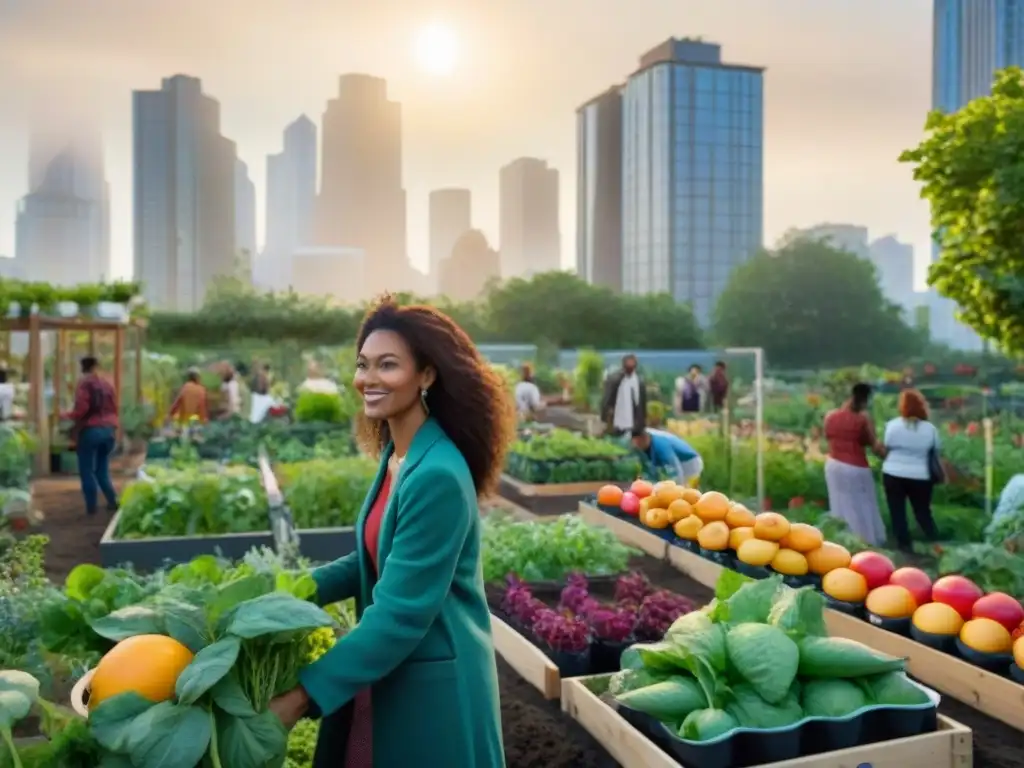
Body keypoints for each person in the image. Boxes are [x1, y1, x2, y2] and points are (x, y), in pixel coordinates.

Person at [268, 296, 514, 768]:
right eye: (363, 365)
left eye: (388, 365)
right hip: (390, 669)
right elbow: (373, 556)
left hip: (432, 686)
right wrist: (285, 594)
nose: (369, 379)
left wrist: (300, 697)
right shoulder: (399, 457)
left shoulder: (436, 474)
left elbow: (400, 614)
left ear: (426, 375)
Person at [823, 382, 886, 546]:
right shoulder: (863, 419)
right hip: (856, 466)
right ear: (866, 400)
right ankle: (864, 540)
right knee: (863, 504)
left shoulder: (831, 416)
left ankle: (842, 538)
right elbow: (874, 445)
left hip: (833, 464)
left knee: (839, 503)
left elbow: (828, 436)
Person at [882, 389, 940, 552]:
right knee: (922, 511)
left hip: (893, 473)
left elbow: (887, 446)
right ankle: (933, 540)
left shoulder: (893, 426)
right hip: (920, 475)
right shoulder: (930, 429)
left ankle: (904, 545)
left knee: (897, 511)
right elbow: (935, 450)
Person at [63, 356, 119, 516]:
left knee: (87, 470)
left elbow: (82, 409)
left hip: (91, 431)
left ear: (82, 368)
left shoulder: (85, 384)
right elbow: (115, 407)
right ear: (97, 366)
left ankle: (91, 508)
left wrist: (65, 415)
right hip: (109, 431)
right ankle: (112, 501)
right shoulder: (107, 383)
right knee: (102, 469)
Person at [631, 427, 703, 487]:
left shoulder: (661, 444)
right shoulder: (643, 443)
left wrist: (677, 487)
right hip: (679, 462)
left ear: (644, 438)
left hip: (689, 463)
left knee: (686, 492)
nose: (636, 445)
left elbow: (675, 468)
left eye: (638, 442)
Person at [601, 354, 646, 436]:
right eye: (628, 365)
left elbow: (641, 403)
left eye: (632, 365)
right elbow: (607, 399)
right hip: (616, 422)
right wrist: (605, 419)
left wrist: (642, 422)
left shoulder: (639, 381)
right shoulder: (614, 379)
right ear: (623, 365)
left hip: (634, 424)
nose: (630, 368)